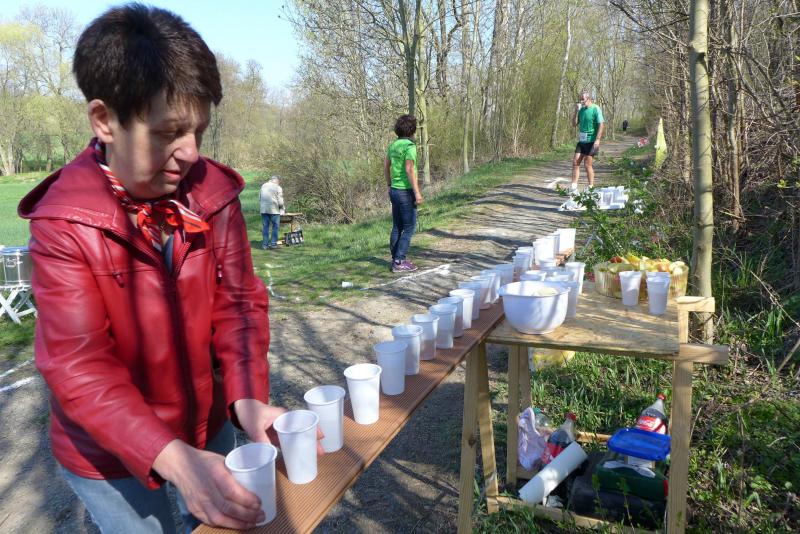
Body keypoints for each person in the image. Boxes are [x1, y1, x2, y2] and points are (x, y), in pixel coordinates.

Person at [18, 5, 310, 533]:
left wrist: (247, 400)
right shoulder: (64, 222)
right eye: (167, 133)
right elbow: (79, 365)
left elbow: (239, 305)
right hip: (108, 451)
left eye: (199, 130)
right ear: (104, 121)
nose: (190, 153)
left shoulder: (213, 193)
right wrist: (173, 458)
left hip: (207, 422)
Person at [385, 114, 424, 273]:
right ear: (411, 130)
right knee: (409, 227)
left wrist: (389, 185)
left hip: (394, 190)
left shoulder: (393, 146)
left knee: (397, 226)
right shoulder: (410, 147)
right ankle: (399, 261)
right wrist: (417, 193)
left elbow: (386, 167)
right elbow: (409, 169)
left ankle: (395, 258)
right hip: (405, 192)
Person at [570, 90, 605, 191]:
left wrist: (598, 139)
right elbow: (574, 124)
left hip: (591, 141)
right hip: (582, 141)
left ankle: (590, 188)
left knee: (587, 164)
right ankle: (573, 187)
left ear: (589, 98)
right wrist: (576, 111)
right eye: (580, 99)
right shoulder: (581, 110)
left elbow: (601, 124)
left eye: (583, 99)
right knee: (575, 162)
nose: (581, 101)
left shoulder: (595, 108)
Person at [260, 176, 285, 249]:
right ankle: (273, 244)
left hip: (264, 209)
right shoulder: (278, 187)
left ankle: (265, 245)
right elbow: (280, 201)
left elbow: (260, 197)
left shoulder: (263, 186)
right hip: (274, 210)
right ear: (276, 181)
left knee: (265, 227)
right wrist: (282, 208)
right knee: (275, 227)